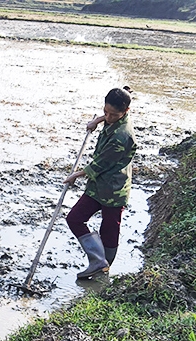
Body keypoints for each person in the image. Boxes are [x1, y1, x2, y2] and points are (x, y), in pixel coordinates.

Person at [63, 87, 136, 279]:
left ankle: (103, 267)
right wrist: (98, 120)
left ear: (125, 112)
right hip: (98, 186)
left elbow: (99, 164)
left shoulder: (122, 137)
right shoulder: (114, 117)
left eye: (113, 115)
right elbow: (109, 115)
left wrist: (74, 176)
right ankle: (98, 261)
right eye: (106, 112)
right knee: (75, 218)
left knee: (110, 229)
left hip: (114, 189)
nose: (109, 117)